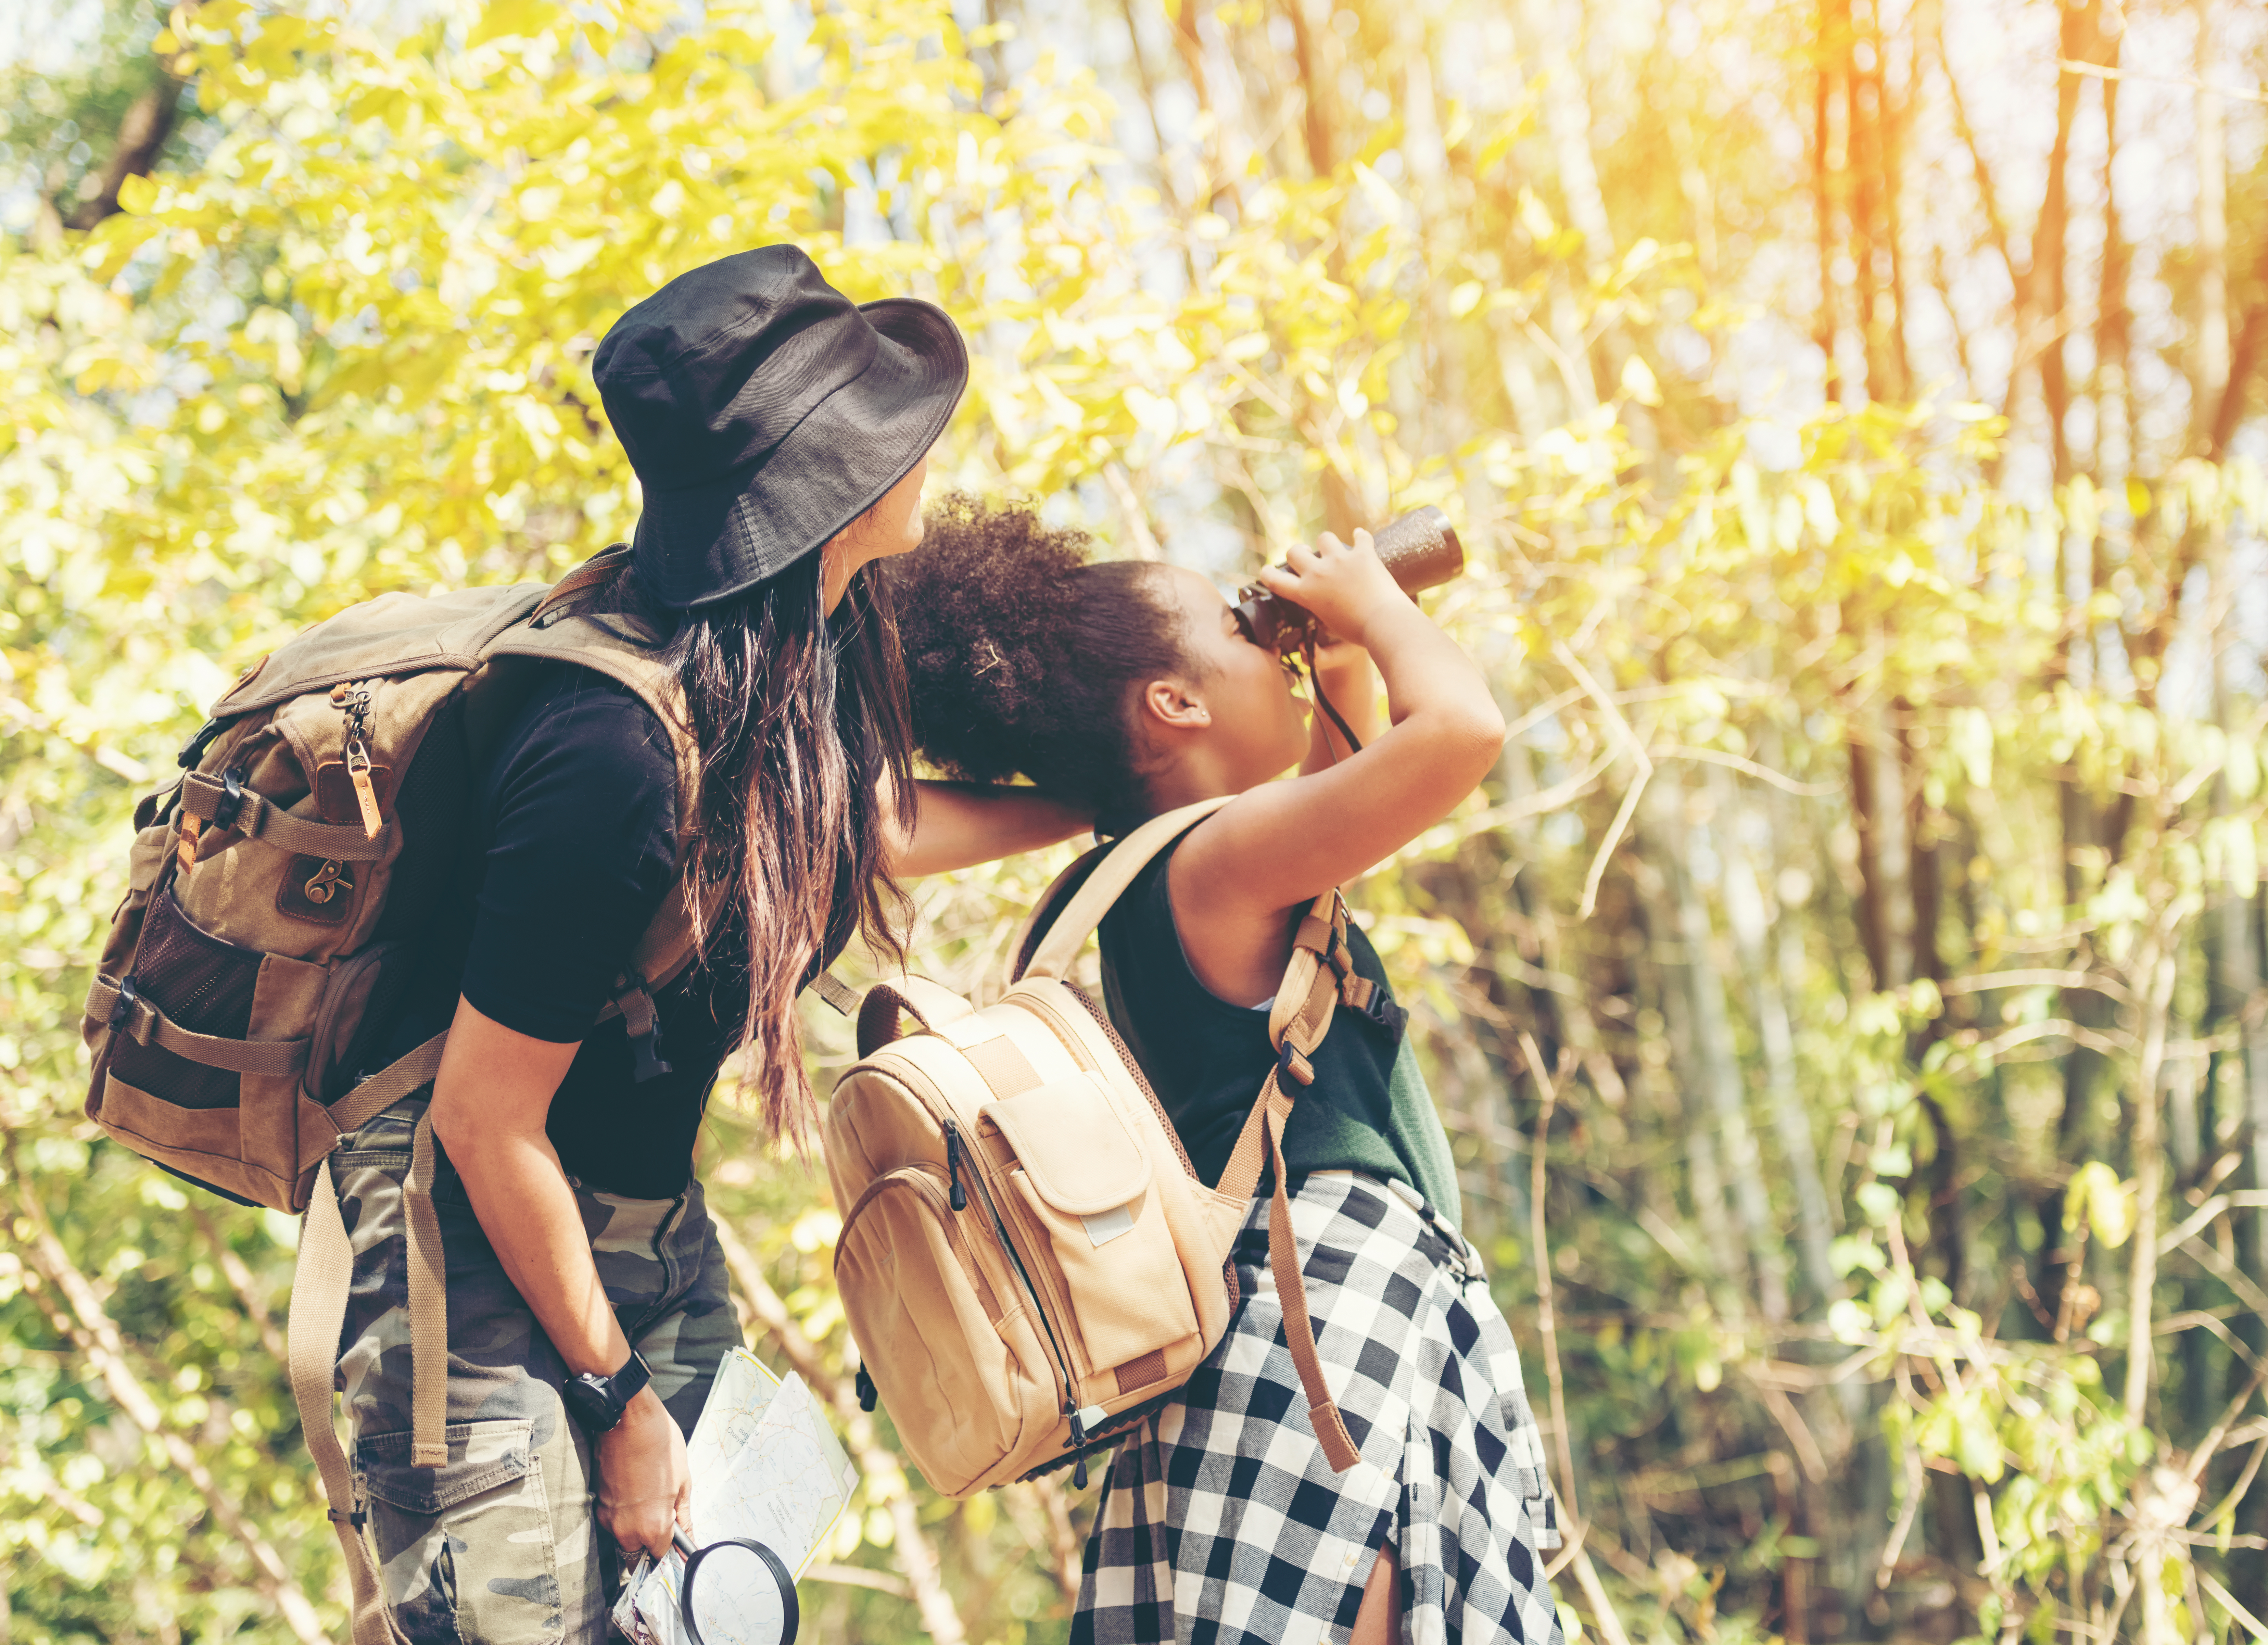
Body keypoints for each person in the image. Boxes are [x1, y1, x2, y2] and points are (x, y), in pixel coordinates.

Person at [331, 248, 1087, 1643]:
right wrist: (616, 1404)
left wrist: (1110, 794)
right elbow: (488, 1121)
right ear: (820, 491)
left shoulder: (769, 670)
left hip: (647, 1230)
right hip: (478, 1261)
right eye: (879, 429)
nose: (918, 451)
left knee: (711, 1613)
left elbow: (866, 827)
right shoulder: (609, 751)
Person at [890, 497, 1563, 1645]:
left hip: (1277, 1317)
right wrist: (1378, 608)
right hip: (1324, 1323)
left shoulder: (1154, 872)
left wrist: (1339, 654)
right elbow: (1458, 731)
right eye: (1247, 632)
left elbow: (1339, 786)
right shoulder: (1219, 864)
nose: (1282, 654)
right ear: (1176, 701)